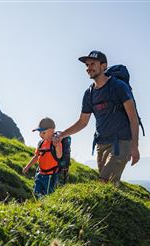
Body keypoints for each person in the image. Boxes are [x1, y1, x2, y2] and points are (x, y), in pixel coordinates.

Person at [55, 50, 140, 185]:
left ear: (103, 66)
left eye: (93, 64)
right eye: (87, 65)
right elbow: (82, 122)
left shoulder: (118, 86)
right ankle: (115, 205)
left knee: (103, 181)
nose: (89, 68)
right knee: (110, 186)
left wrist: (134, 146)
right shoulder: (89, 93)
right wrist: (62, 135)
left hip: (121, 143)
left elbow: (133, 118)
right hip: (101, 144)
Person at [23, 117, 62, 197]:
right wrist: (27, 166)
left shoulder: (55, 143)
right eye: (40, 132)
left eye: (43, 132)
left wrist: (57, 144)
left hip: (50, 176)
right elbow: (36, 156)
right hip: (40, 174)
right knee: (37, 193)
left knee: (49, 195)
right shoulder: (41, 143)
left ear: (52, 131)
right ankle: (39, 206)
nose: (41, 135)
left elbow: (59, 155)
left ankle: (48, 207)